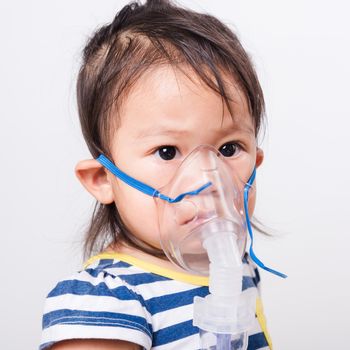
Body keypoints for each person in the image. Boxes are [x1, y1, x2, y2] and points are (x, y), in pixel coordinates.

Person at [40, 0, 277, 349]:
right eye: (167, 152)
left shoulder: (236, 268)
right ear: (103, 179)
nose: (208, 179)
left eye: (228, 149)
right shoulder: (104, 305)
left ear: (255, 161)